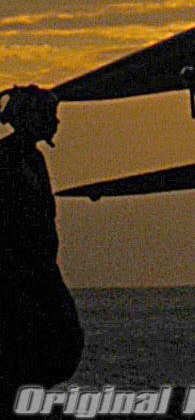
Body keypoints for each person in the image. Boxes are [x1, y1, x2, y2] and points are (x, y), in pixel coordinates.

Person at [0, 86, 83, 402]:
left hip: (37, 270)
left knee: (59, 344)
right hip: (20, 275)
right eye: (49, 116)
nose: (56, 123)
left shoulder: (30, 159)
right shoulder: (9, 159)